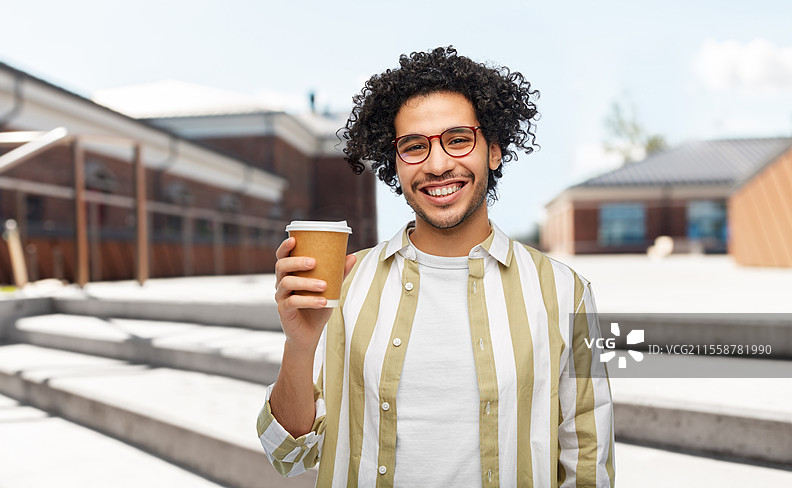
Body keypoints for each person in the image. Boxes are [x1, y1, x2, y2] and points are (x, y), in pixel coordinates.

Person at [258, 46, 615, 488]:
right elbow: (289, 456)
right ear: (394, 163)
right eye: (414, 147)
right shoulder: (344, 283)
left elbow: (588, 463)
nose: (439, 164)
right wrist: (299, 344)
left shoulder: (563, 291)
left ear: (493, 150)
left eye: (458, 139)